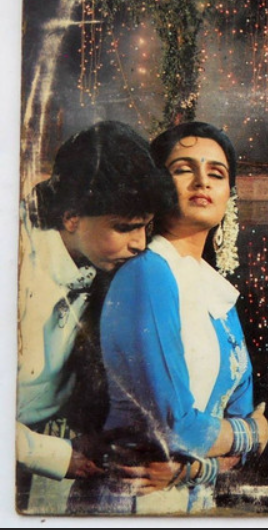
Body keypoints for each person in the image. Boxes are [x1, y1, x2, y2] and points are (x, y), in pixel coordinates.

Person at [93, 122, 268, 514]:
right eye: (183, 169)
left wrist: (191, 469)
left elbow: (232, 443)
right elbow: (177, 429)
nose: (202, 181)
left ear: (229, 196)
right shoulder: (147, 274)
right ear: (156, 186)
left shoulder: (217, 291)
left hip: (192, 504)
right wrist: (255, 433)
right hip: (135, 505)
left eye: (216, 173)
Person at [17, 120, 172, 514]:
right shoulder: (16, 264)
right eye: (124, 228)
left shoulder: (107, 268)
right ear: (72, 217)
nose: (139, 243)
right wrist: (52, 455)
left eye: (145, 227)